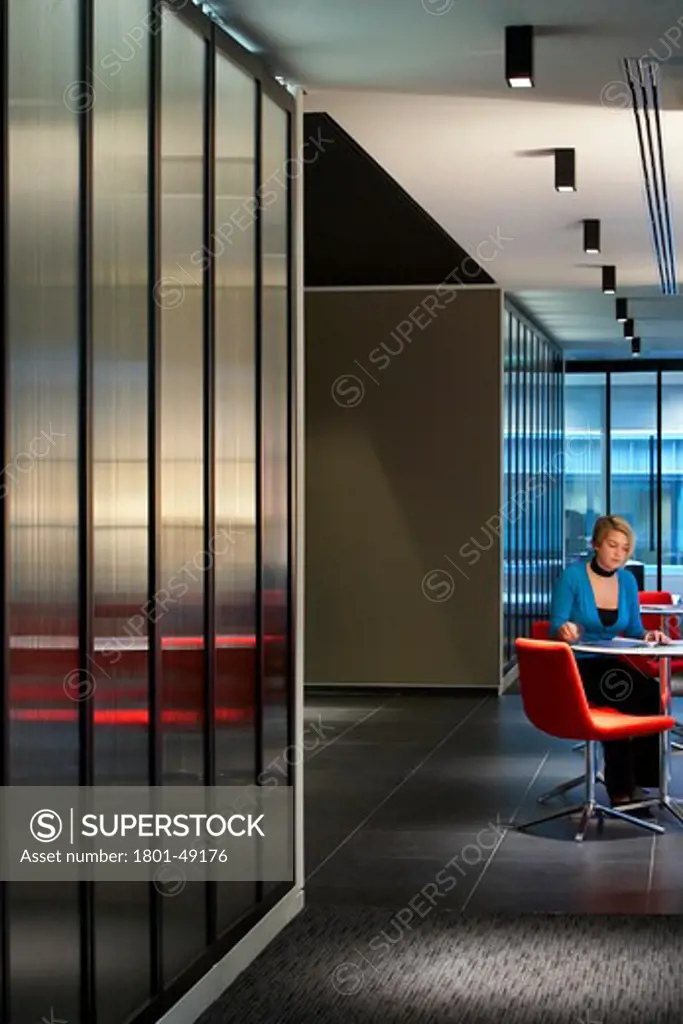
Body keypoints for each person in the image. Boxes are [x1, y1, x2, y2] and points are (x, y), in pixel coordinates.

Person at [550, 514, 670, 812]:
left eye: (624, 548)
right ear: (596, 545)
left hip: (609, 663)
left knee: (650, 694)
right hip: (579, 665)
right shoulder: (572, 576)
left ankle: (640, 782)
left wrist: (649, 634)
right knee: (623, 699)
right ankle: (621, 789)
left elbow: (632, 629)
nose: (619, 553)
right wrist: (567, 630)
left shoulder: (627, 581)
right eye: (612, 545)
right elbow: (556, 625)